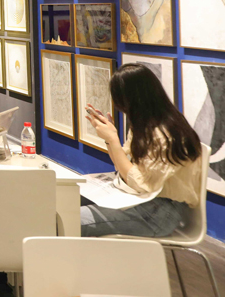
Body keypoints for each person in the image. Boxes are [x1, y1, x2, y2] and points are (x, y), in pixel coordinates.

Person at [81, 63, 202, 237]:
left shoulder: (167, 134)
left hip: (158, 212)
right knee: (63, 202)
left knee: (67, 219)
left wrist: (112, 139)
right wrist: (109, 140)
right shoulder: (144, 123)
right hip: (140, 199)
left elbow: (141, 184)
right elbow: (124, 170)